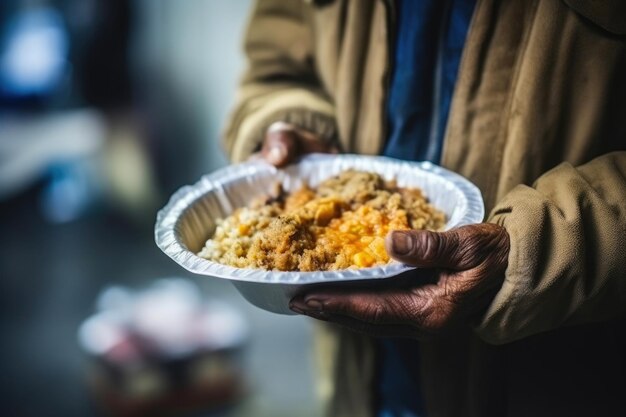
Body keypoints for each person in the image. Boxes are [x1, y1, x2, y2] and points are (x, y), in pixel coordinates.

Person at [222, 1, 626, 416]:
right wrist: (288, 122)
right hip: (359, 372)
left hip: (551, 366)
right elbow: (277, 67)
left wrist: (536, 250)